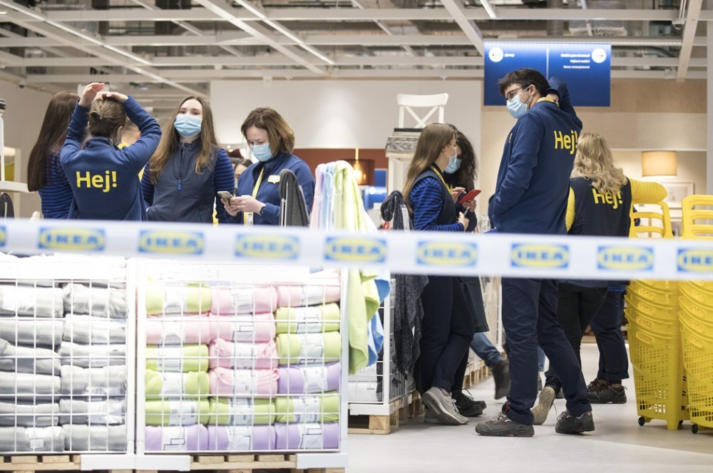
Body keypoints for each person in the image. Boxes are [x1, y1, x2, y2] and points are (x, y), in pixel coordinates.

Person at [475, 69, 593, 437]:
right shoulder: (568, 124)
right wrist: (553, 92)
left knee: (521, 331)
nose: (510, 102)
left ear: (531, 90)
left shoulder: (532, 121)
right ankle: (580, 407)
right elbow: (562, 85)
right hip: (550, 242)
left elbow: (518, 175)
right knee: (549, 330)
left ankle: (519, 414)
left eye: (513, 93)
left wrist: (495, 210)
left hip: (521, 240)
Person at [532, 133, 667, 423]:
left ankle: (567, 397)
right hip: (604, 278)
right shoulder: (624, 186)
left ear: (578, 155)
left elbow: (562, 228)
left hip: (570, 276)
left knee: (567, 338)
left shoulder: (573, 186)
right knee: (577, 336)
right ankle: (558, 387)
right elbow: (660, 191)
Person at [403, 123, 474, 426]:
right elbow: (425, 231)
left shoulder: (435, 181)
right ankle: (436, 391)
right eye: (454, 143)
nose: (456, 150)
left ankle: (440, 389)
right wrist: (459, 226)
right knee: (440, 334)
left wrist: (454, 204)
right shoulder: (430, 182)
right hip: (433, 271)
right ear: (444, 146)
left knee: (459, 328)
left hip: (441, 269)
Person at [60, 83, 161, 221]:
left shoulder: (70, 159)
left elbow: (72, 136)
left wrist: (83, 104)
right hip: (125, 234)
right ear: (119, 130)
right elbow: (152, 130)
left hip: (86, 234)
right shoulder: (128, 159)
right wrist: (126, 101)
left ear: (89, 125)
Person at [141, 97, 233, 224]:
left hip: (196, 233)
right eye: (182, 111)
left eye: (195, 113)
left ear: (205, 120)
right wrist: (148, 211)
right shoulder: (157, 155)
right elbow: (143, 197)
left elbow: (225, 208)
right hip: (157, 230)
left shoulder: (217, 157)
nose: (187, 116)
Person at [224, 108, 314, 225]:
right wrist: (233, 214)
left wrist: (260, 208)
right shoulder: (246, 174)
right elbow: (239, 222)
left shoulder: (297, 170)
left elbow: (301, 219)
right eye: (251, 142)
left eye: (260, 142)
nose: (255, 147)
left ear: (278, 136)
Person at [27, 91, 79, 219]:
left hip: (50, 223)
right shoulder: (63, 154)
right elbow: (85, 192)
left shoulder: (41, 151)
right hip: (69, 226)